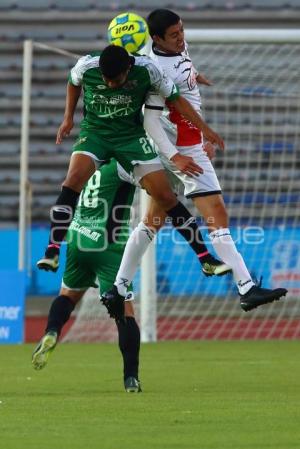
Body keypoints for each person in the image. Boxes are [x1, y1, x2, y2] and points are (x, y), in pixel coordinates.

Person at [101, 10, 287, 320]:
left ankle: (117, 288)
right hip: (182, 148)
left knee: (151, 222)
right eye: (174, 35)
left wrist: (194, 76)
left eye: (181, 31)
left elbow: (183, 76)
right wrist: (178, 156)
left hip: (184, 144)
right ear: (155, 39)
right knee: (216, 211)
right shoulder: (156, 70)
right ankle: (245, 287)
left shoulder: (174, 50)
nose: (181, 38)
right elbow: (151, 119)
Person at [37, 44, 228, 279]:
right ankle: (52, 250)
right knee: (72, 180)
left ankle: (205, 259)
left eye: (115, 80)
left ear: (128, 68)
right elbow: (73, 82)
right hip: (96, 133)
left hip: (131, 138)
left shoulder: (148, 70)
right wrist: (68, 119)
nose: (109, 85)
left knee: (166, 197)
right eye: (106, 79)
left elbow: (176, 99)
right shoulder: (86, 66)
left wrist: (205, 129)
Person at [32, 159, 142, 393]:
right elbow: (155, 181)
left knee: (68, 296)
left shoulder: (86, 163)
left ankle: (52, 331)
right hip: (108, 244)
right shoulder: (123, 164)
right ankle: (131, 378)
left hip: (78, 238)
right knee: (124, 311)